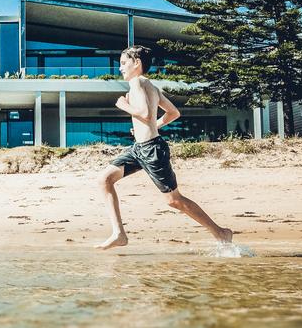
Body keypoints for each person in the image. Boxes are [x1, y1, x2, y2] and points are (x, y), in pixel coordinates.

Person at [95, 45, 233, 250]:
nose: (120, 68)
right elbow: (173, 113)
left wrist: (123, 105)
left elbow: (144, 113)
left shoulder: (138, 83)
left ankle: (220, 232)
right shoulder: (150, 86)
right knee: (104, 179)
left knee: (174, 201)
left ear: (137, 63)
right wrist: (153, 125)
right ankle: (119, 234)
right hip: (139, 148)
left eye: (124, 63)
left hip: (152, 150)